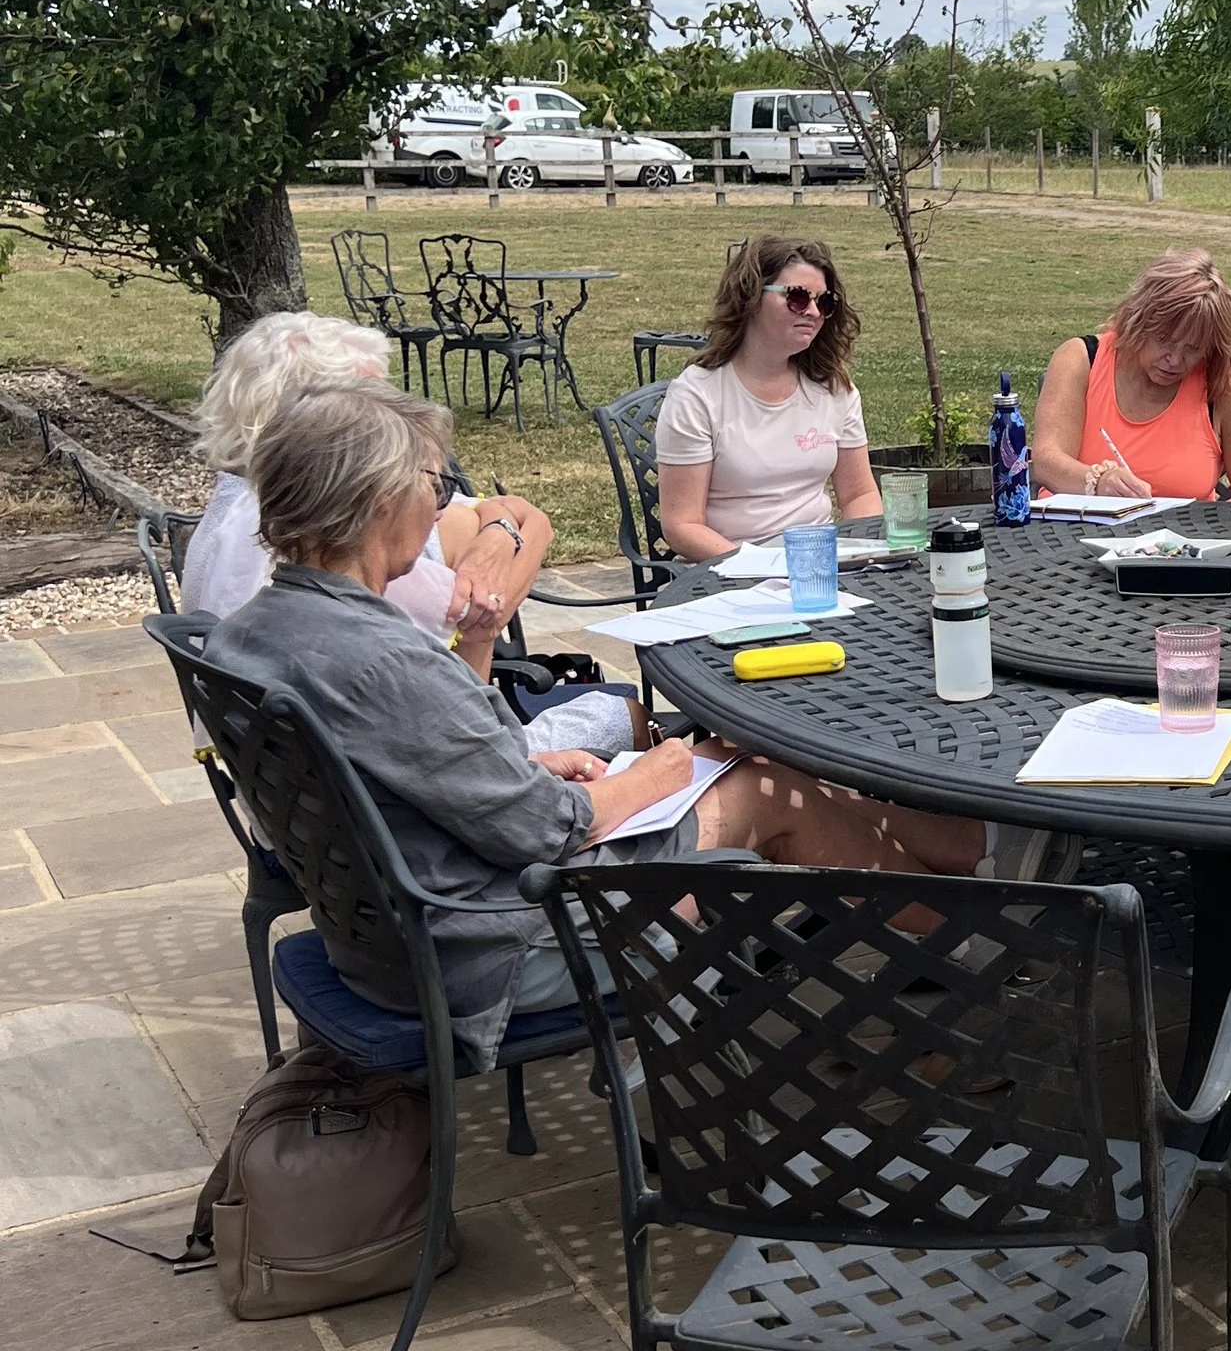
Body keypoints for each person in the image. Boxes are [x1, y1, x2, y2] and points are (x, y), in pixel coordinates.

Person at [203, 383, 985, 1068]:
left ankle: (945, 871)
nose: (441, 504)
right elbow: (544, 833)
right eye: (432, 484)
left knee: (726, 755)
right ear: (379, 499)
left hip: (391, 932)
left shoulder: (252, 632)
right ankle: (971, 957)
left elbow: (397, 775)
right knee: (759, 785)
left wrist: (530, 759)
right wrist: (649, 776)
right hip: (499, 943)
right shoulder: (380, 659)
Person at [183, 312, 637, 757]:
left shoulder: (237, 512)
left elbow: (526, 518)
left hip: (319, 786)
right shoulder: (344, 547)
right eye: (372, 402)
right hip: (425, 771)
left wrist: (495, 534)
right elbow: (468, 722)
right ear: (313, 423)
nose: (396, 415)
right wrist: (487, 604)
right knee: (631, 719)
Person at [656, 238, 879, 563]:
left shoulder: (833, 388)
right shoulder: (698, 394)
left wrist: (861, 553)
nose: (814, 312)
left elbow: (860, 494)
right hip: (727, 573)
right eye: (798, 298)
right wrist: (766, 568)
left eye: (824, 302)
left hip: (819, 569)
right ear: (751, 298)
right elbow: (682, 526)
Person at [1031, 250, 1231, 502]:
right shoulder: (1081, 359)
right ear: (1136, 322)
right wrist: (1097, 482)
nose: (1174, 360)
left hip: (1181, 540)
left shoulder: (1225, 384)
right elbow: (1046, 462)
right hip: (1070, 533)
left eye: (1192, 348)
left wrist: (1204, 529)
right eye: (1163, 341)